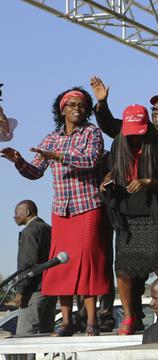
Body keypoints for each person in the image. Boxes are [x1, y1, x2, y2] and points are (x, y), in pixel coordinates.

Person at [1, 87, 110, 336]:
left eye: (81, 105)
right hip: (61, 210)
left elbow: (91, 160)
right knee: (61, 266)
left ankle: (92, 321)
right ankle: (67, 322)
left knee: (87, 262)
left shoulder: (91, 133)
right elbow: (36, 172)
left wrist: (59, 156)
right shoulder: (52, 138)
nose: (77, 108)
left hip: (87, 206)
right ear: (62, 110)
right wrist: (19, 161)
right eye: (71, 104)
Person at [99, 104, 158, 335]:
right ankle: (130, 317)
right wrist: (107, 180)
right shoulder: (118, 143)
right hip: (127, 218)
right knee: (123, 270)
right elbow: (111, 169)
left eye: (138, 133)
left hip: (152, 215)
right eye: (130, 133)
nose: (134, 138)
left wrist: (146, 181)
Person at [12, 200, 56, 336]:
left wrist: (21, 291)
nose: (14, 216)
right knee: (45, 335)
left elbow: (28, 263)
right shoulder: (49, 228)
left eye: (16, 213)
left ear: (27, 212)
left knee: (24, 337)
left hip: (34, 290)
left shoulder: (29, 231)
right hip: (50, 289)